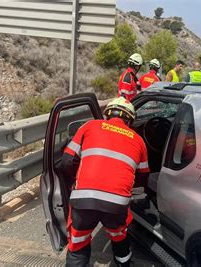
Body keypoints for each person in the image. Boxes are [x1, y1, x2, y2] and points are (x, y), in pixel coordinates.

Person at [61, 98, 149, 267]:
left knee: (78, 243)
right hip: (117, 205)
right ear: (130, 120)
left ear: (107, 115)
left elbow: (67, 161)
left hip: (83, 199)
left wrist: (78, 179)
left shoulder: (89, 126)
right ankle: (124, 263)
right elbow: (143, 177)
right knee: (119, 237)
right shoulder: (139, 141)